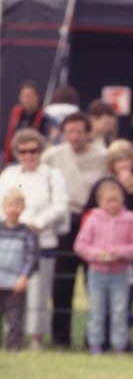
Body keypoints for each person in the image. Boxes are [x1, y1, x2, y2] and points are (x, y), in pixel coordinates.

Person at [40, 112, 107, 349]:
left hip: (93, 220)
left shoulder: (102, 156)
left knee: (95, 281)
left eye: (80, 131)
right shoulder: (52, 156)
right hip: (64, 222)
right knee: (63, 283)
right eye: (70, 131)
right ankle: (60, 338)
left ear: (88, 132)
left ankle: (96, 339)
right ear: (63, 133)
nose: (75, 136)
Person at [0, 129, 68, 350]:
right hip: (10, 241)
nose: (29, 156)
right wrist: (12, 222)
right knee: (9, 292)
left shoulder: (52, 174)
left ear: (40, 151)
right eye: (23, 151)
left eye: (34, 151)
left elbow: (60, 205)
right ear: (17, 152)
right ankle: (13, 337)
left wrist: (37, 223)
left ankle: (36, 338)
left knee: (39, 291)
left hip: (41, 239)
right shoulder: (10, 174)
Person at [73, 179, 133, 354]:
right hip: (97, 273)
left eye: (117, 200)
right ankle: (95, 345)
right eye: (108, 201)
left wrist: (121, 252)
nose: (113, 204)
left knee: (120, 311)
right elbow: (80, 245)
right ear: (100, 201)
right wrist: (97, 254)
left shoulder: (130, 219)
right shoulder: (93, 218)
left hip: (120, 273)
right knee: (96, 310)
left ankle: (119, 345)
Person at [0, 189, 39, 350]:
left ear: (23, 208)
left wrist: (24, 276)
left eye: (17, 205)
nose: (13, 209)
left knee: (15, 317)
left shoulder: (28, 233)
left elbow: (32, 256)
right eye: (10, 205)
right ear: (3, 207)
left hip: (16, 282)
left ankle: (14, 347)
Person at [3, 80, 54, 165]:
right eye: (24, 96)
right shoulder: (16, 114)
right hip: (14, 156)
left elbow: (49, 141)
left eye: (30, 96)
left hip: (33, 157)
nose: (27, 99)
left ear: (38, 97)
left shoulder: (46, 118)